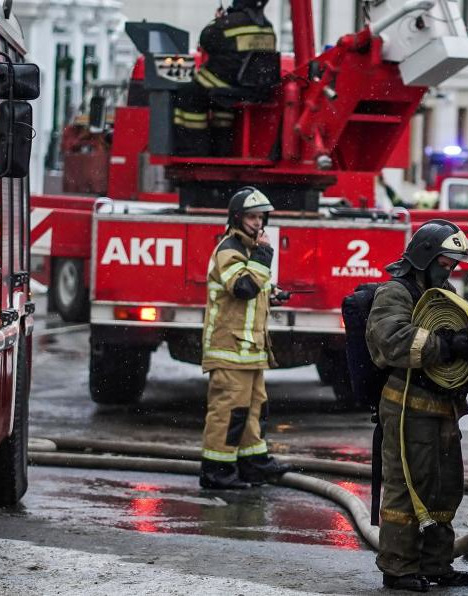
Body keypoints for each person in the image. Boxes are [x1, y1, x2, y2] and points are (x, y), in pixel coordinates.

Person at [366, 220, 468, 592]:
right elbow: (391, 339)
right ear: (424, 257)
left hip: (444, 407)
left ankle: (436, 563)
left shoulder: (443, 292)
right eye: (445, 263)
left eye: (453, 265)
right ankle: (398, 567)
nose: (449, 271)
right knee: (408, 488)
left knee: (444, 489)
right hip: (407, 405)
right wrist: (445, 345)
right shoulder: (395, 292)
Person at [200, 186, 291, 490]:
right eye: (252, 217)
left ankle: (253, 463)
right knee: (228, 412)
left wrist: (272, 294)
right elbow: (243, 288)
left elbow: (253, 290)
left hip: (250, 351)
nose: (258, 223)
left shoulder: (249, 252)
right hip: (229, 349)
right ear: (237, 217)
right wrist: (265, 255)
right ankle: (217, 471)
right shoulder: (229, 250)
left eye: (261, 217)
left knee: (253, 410)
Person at [173, 0, 279, 156]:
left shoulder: (227, 24)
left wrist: (219, 19)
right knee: (222, 107)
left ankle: (193, 151)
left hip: (227, 84)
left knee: (188, 94)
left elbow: (205, 40)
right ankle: (221, 149)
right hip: (252, 88)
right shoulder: (268, 27)